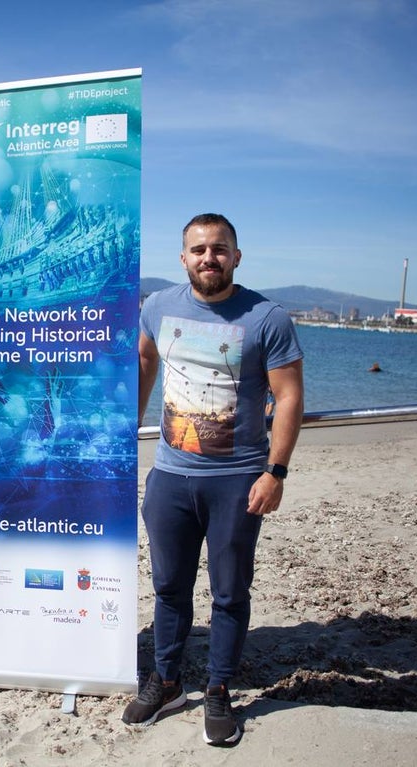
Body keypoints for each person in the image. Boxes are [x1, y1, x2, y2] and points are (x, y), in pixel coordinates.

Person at [123, 213, 304, 745]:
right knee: (168, 587)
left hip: (237, 481)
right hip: (171, 478)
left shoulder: (267, 317)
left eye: (219, 249)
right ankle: (169, 682)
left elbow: (289, 396)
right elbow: (144, 358)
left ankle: (220, 690)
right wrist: (130, 422)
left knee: (229, 593)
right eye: (199, 249)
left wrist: (276, 471)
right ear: (183, 258)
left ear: (236, 256)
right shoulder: (156, 307)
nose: (209, 258)